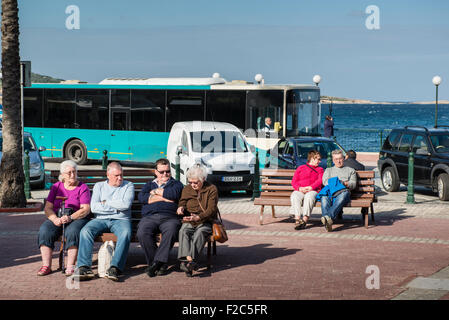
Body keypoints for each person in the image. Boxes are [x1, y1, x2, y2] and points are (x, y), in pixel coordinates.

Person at [75, 162, 134, 281]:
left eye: (121, 175)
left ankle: (115, 268)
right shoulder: (99, 186)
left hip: (121, 220)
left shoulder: (129, 185)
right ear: (108, 174)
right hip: (100, 219)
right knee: (85, 231)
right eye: (116, 175)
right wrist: (116, 206)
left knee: (125, 233)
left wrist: (105, 203)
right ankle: (84, 267)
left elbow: (126, 205)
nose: (120, 178)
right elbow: (94, 207)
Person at [37, 160, 91, 276]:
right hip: (58, 216)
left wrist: (71, 217)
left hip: (76, 218)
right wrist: (55, 219)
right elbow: (48, 208)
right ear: (62, 175)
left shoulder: (83, 187)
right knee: (45, 230)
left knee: (73, 232)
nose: (73, 175)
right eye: (69, 173)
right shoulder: (56, 187)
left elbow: (86, 209)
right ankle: (46, 265)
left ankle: (70, 266)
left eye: (74, 172)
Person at [137, 158, 184, 277]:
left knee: (172, 230)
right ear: (156, 172)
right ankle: (159, 264)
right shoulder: (148, 185)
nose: (165, 174)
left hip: (170, 217)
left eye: (167, 171)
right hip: (150, 217)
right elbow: (142, 198)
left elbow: (174, 194)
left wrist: (155, 193)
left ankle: (156, 264)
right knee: (142, 232)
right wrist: (163, 198)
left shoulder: (177, 184)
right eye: (162, 172)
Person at [176, 164, 218, 277]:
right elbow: (182, 201)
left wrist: (198, 217)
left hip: (205, 220)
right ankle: (190, 261)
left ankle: (188, 262)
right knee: (183, 231)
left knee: (200, 232)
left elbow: (211, 210)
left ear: (203, 179)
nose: (192, 185)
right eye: (190, 182)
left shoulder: (211, 189)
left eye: (196, 182)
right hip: (190, 220)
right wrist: (181, 207)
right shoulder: (187, 189)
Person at [318, 149, 356, 232]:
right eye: (336, 159)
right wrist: (336, 183)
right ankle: (328, 222)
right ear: (333, 160)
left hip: (343, 192)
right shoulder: (329, 170)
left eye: (340, 159)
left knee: (344, 194)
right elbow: (324, 182)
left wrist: (345, 184)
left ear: (343, 158)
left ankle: (327, 217)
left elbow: (353, 184)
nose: (338, 161)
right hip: (330, 192)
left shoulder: (350, 170)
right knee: (324, 198)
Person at [290, 150, 324, 230]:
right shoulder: (301, 168)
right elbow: (294, 181)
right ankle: (297, 219)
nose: (320, 161)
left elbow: (320, 181)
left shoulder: (320, 169)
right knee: (295, 195)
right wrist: (299, 188)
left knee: (309, 196)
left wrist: (311, 187)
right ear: (312, 158)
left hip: (313, 190)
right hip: (301, 190)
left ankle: (304, 220)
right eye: (318, 159)